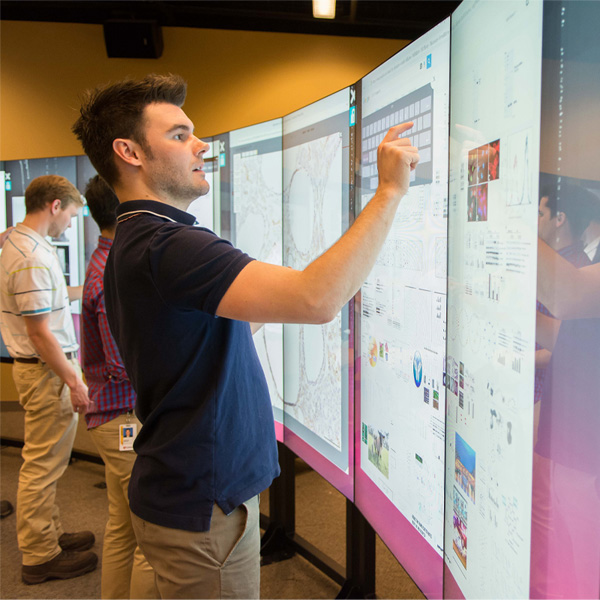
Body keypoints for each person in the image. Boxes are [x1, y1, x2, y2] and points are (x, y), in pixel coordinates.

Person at [72, 73, 418, 599]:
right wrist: (390, 190)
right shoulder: (170, 244)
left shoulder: (135, 235)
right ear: (130, 152)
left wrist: (295, 288)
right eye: (180, 134)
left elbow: (215, 326)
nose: (200, 144)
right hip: (204, 503)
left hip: (181, 488)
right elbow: (316, 301)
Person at [0, 176, 98, 584]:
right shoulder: (30, 257)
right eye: (72, 216)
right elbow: (40, 333)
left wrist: (93, 286)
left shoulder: (14, 241)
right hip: (47, 373)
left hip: (40, 371)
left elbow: (51, 297)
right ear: (55, 206)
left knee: (49, 461)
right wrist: (74, 381)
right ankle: (39, 557)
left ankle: (50, 535)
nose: (71, 225)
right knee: (42, 465)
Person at [81, 175, 157, 599]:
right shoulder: (112, 274)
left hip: (113, 417)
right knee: (150, 538)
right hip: (124, 418)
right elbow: (121, 363)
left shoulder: (104, 260)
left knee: (122, 526)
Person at [534, 183, 591, 408]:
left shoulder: (577, 272)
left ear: (559, 219)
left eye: (540, 214)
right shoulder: (563, 267)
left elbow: (577, 343)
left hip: (544, 398)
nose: (535, 221)